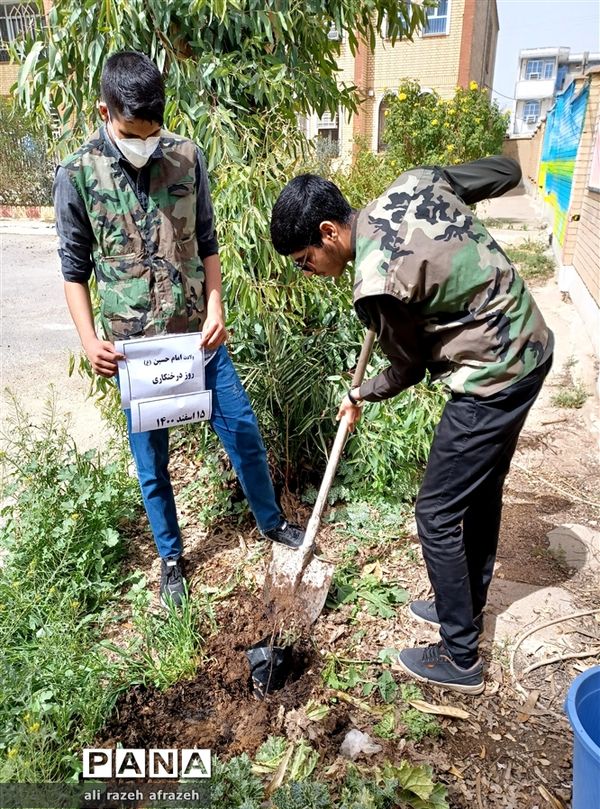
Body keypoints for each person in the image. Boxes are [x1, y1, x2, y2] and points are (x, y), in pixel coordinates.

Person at [270, 156, 553, 695]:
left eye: (306, 260)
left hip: (493, 373)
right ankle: (463, 604)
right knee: (481, 488)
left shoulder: (376, 279)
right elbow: (503, 173)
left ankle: (460, 655)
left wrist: (360, 392)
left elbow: (409, 367)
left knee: (437, 510)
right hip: (531, 343)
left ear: (329, 234)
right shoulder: (413, 183)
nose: (309, 272)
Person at [53, 50, 304, 609]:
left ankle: (272, 524)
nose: (143, 144)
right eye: (130, 133)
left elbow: (208, 241)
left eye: (152, 131)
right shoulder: (76, 175)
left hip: (198, 338)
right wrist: (88, 339)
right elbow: (73, 267)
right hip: (135, 351)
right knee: (152, 464)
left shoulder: (187, 157)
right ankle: (171, 557)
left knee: (242, 432)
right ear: (104, 112)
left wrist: (216, 306)